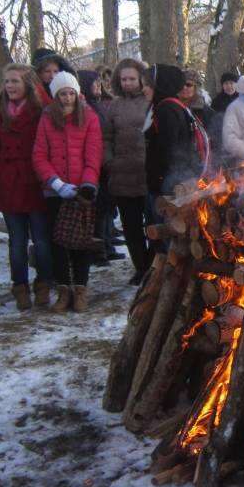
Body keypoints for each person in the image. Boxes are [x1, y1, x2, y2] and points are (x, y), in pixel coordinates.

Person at [0, 64, 53, 309]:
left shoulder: (41, 108)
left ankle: (44, 283)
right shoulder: (0, 107)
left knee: (42, 240)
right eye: (7, 81)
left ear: (28, 83)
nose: (10, 86)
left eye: (15, 81)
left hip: (35, 181)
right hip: (10, 181)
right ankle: (20, 286)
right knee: (16, 241)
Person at [33, 72, 102, 311]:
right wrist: (55, 183)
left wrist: (88, 183)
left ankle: (81, 288)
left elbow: (93, 154)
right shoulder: (46, 119)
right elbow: (40, 155)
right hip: (57, 190)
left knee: (80, 243)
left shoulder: (89, 117)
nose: (67, 98)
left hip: (82, 190)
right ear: (56, 96)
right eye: (62, 94)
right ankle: (63, 289)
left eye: (71, 93)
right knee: (58, 242)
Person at [104, 58, 151, 285]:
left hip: (147, 174)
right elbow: (106, 138)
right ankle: (140, 267)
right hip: (122, 175)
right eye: (124, 79)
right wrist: (110, 161)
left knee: (152, 224)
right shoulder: (114, 106)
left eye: (132, 78)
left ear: (141, 79)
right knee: (131, 227)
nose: (128, 83)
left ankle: (153, 266)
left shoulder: (150, 102)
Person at [145, 63, 210, 197]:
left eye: (148, 84)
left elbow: (169, 152)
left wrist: (161, 181)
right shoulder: (176, 105)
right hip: (179, 179)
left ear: (160, 85)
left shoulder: (166, 109)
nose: (143, 88)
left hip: (168, 186)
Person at [79, 69, 123, 267]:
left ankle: (107, 244)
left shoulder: (99, 105)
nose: (98, 87)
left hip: (106, 165)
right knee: (98, 211)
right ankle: (99, 251)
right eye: (94, 84)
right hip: (95, 166)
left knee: (106, 209)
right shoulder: (86, 108)